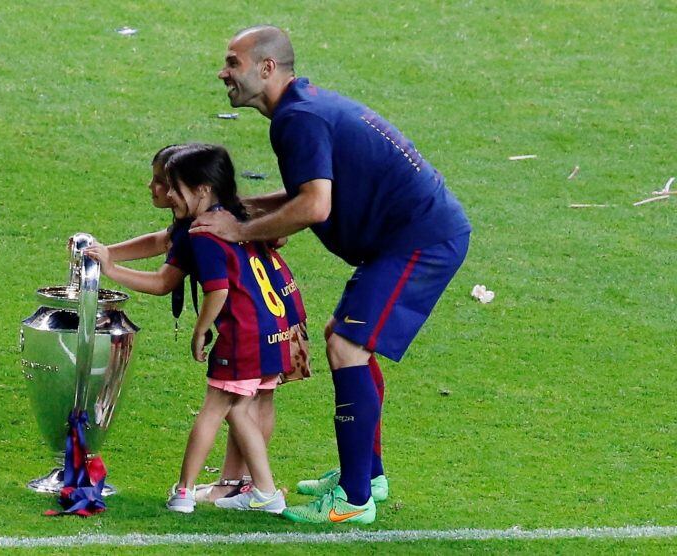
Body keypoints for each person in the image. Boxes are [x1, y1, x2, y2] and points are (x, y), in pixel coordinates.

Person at [191, 25, 471, 524]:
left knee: (347, 346)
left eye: (233, 62)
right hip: (410, 233)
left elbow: (315, 206)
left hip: (419, 239)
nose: (223, 72)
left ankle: (355, 501)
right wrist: (248, 210)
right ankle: (366, 474)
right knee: (342, 338)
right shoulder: (302, 107)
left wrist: (241, 232)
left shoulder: (296, 119)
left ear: (267, 68)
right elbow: (315, 193)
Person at [87, 143, 297, 515]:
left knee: (220, 407)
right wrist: (108, 253)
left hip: (244, 329)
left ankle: (193, 492)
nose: (162, 191)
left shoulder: (203, 230)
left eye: (167, 184)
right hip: (277, 320)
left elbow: (182, 282)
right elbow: (164, 242)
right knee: (247, 404)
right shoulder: (229, 214)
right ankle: (250, 487)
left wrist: (200, 328)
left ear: (201, 188)